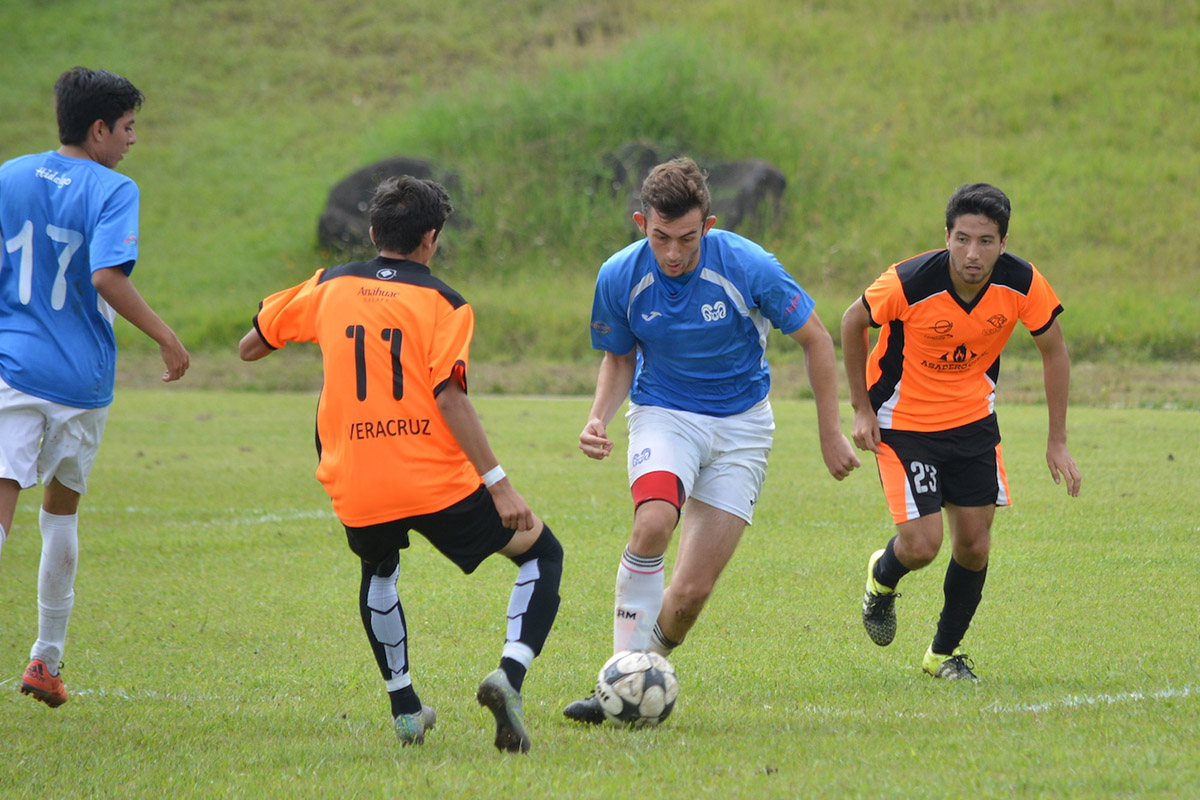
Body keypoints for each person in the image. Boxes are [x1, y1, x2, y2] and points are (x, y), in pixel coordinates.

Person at [238, 175, 561, 753]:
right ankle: (507, 677)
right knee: (542, 553)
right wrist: (501, 485)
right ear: (431, 239)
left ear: (372, 231)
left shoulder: (329, 285)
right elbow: (449, 396)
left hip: (357, 480)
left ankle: (406, 708)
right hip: (437, 483)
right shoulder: (446, 304)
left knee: (379, 570)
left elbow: (252, 345)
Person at [564, 157, 860, 723]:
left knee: (690, 595)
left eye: (687, 238)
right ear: (640, 223)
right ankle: (620, 673)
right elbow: (620, 357)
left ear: (710, 224)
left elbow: (818, 341)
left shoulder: (750, 266)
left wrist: (829, 434)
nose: (673, 253)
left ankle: (640, 678)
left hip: (742, 428)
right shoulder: (620, 275)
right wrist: (598, 415)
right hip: (664, 414)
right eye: (660, 237)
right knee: (653, 522)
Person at [0, 67, 190, 708]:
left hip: (11, 368)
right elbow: (108, 277)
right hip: (80, 381)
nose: (134, 140)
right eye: (129, 127)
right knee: (60, 511)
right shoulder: (114, 188)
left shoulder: (9, 175)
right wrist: (166, 335)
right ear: (99, 128)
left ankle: (47, 664)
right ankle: (45, 661)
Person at [842, 183, 1082, 680]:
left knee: (974, 546)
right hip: (903, 425)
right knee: (923, 545)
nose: (974, 254)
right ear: (946, 236)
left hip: (973, 423)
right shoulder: (909, 281)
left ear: (1004, 241)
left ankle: (941, 656)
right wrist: (861, 409)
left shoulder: (1021, 283)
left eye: (987, 241)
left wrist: (1056, 439)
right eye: (963, 239)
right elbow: (852, 322)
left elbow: (1054, 351)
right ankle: (881, 578)